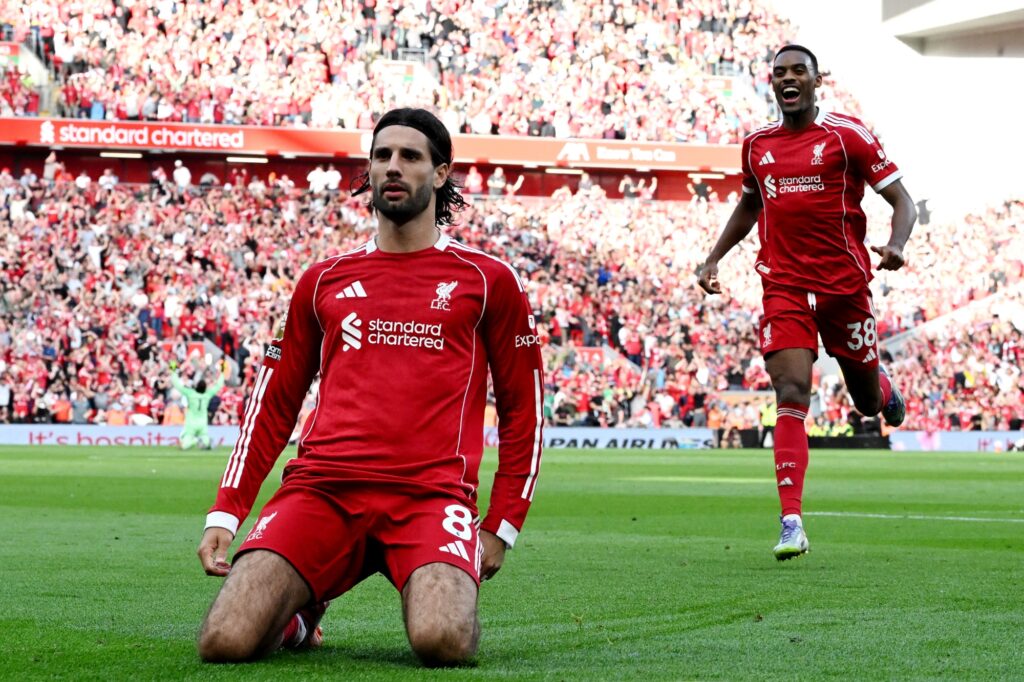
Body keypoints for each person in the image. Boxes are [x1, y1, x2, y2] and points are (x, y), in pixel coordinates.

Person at [195, 108, 544, 667]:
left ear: (441, 172)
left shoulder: (488, 279)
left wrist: (502, 524)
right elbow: (274, 404)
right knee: (224, 641)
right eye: (382, 155)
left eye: (410, 156)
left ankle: (328, 595)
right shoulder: (322, 279)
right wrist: (225, 512)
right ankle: (300, 614)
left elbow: (524, 410)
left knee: (443, 641)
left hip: (431, 497)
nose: (393, 167)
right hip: (324, 491)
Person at [696, 45, 916, 561]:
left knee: (866, 403)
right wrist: (713, 258)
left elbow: (902, 200)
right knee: (791, 390)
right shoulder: (757, 145)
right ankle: (791, 521)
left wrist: (897, 244)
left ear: (818, 81)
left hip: (845, 289)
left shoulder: (847, 135)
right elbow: (750, 203)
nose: (788, 78)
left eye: (799, 71)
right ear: (772, 83)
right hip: (784, 287)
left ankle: (881, 385)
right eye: (780, 73)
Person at [170, 361, 227, 450]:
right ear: (205, 388)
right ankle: (206, 442)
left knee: (184, 445)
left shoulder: (190, 393)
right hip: (202, 423)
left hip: (191, 423)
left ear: (196, 386)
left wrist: (173, 371)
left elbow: (177, 384)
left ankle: (196, 440)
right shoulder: (207, 394)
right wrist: (222, 371)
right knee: (205, 442)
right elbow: (219, 385)